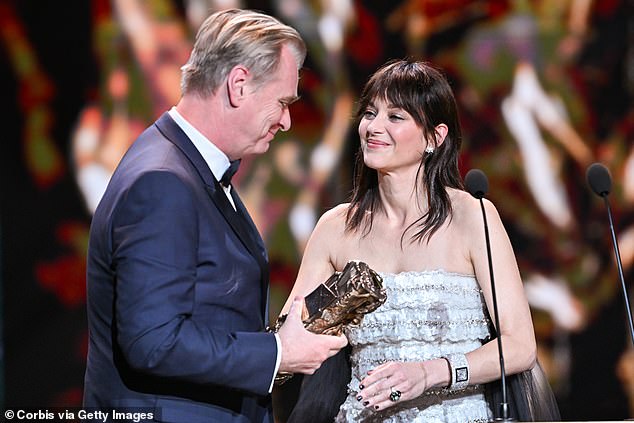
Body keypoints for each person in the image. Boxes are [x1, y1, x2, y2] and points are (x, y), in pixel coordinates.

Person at [83, 8, 347, 423]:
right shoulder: (163, 183)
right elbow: (154, 341)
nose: (286, 120)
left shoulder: (186, 167)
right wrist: (280, 354)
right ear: (239, 85)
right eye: (282, 102)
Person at [279, 59, 560, 422]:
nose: (374, 127)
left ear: (434, 137)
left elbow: (520, 346)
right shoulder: (335, 227)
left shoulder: (472, 216)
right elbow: (291, 336)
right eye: (369, 113)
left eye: (395, 117)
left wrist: (431, 373)